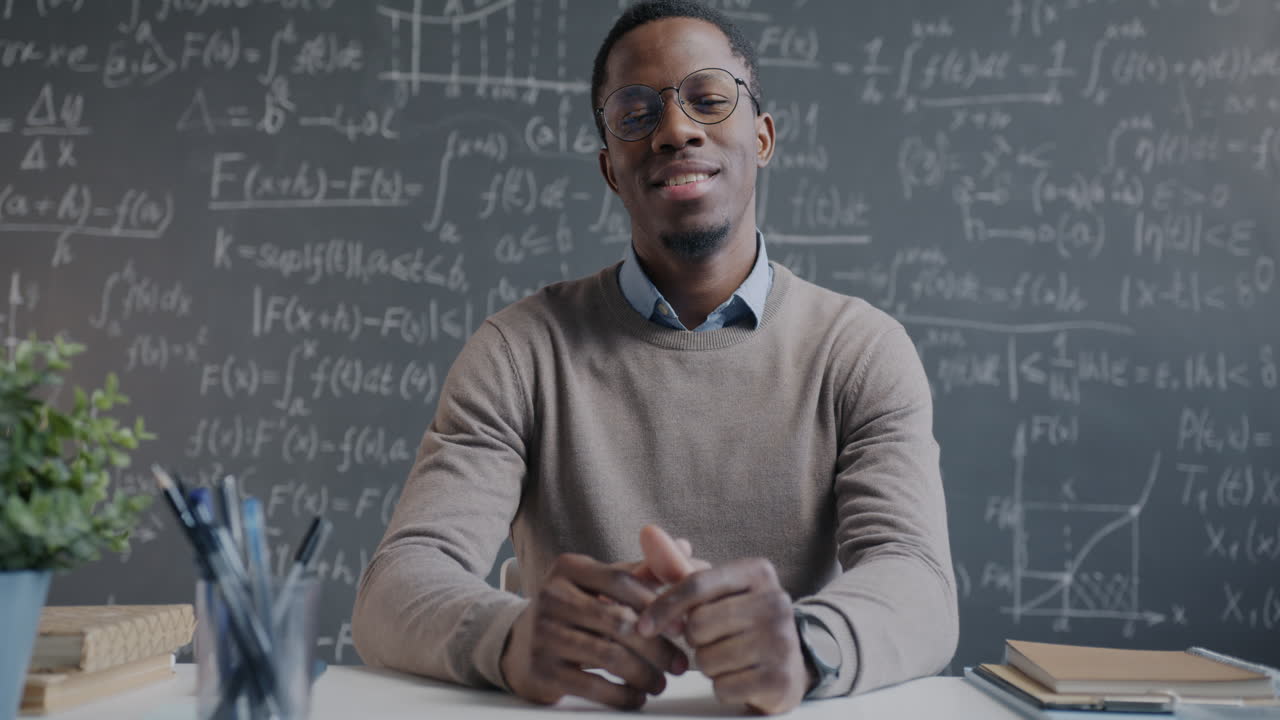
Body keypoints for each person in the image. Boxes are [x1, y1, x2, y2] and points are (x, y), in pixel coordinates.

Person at [352, 0, 957, 714]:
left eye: (708, 99)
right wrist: (508, 637)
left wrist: (805, 644)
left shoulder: (858, 351)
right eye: (636, 114)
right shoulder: (520, 353)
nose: (675, 130)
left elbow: (917, 581)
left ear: (762, 137)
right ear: (611, 169)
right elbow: (396, 586)